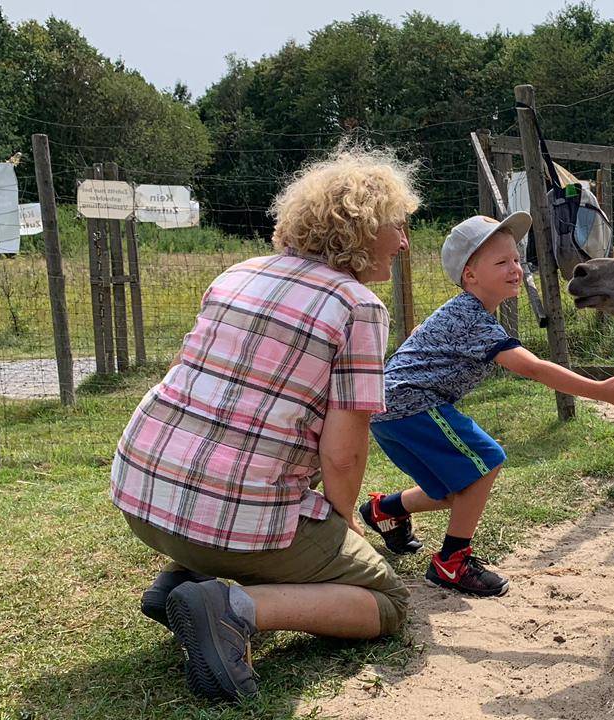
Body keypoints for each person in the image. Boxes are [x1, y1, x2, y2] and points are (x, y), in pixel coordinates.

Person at [109, 146, 419, 703]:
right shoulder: (358, 306)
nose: (403, 243)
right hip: (229, 517)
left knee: (243, 485)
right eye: (396, 227)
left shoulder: (240, 271)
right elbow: (343, 450)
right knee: (387, 600)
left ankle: (180, 583)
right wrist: (341, 523)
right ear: (362, 230)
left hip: (142, 494)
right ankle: (231, 608)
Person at [359, 212, 614, 597]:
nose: (515, 269)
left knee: (455, 491)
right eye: (501, 263)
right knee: (487, 460)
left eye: (516, 260)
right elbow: (535, 368)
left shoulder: (466, 313)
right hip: (411, 405)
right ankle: (452, 563)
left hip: (389, 410)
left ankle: (385, 510)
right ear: (470, 275)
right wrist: (600, 390)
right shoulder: (472, 318)